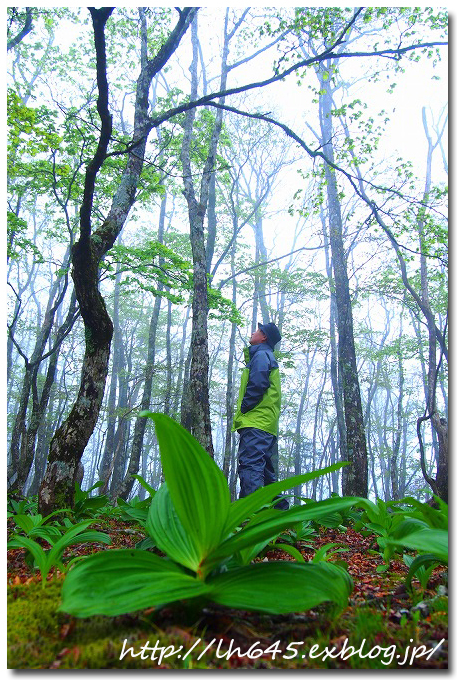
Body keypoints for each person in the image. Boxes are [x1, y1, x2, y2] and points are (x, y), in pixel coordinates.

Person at [232, 322, 289, 510]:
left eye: (257, 330)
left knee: (250, 466)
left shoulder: (262, 355)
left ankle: (251, 515)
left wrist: (246, 408)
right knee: (265, 473)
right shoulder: (264, 355)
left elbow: (257, 384)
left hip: (257, 421)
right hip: (265, 424)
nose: (253, 332)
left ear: (263, 337)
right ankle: (280, 513)